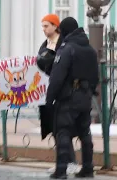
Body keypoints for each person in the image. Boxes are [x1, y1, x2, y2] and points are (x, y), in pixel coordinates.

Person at [46, 17, 98, 179]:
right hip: (85, 97)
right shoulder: (90, 49)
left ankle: (61, 170)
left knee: (63, 131)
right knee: (85, 132)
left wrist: (50, 98)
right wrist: (89, 91)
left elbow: (57, 76)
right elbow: (95, 76)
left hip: (69, 97)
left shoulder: (67, 49)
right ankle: (88, 168)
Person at [37, 14, 80, 175]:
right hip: (48, 92)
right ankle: (62, 162)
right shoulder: (44, 45)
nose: (44, 29)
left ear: (56, 26)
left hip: (63, 92)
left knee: (64, 129)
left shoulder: (65, 45)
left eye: (46, 26)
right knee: (56, 129)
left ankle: (71, 161)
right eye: (42, 26)